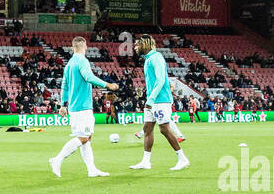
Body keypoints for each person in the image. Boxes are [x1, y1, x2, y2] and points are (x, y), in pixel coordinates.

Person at [49, 37, 118, 178]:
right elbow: (88, 77)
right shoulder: (82, 61)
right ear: (85, 47)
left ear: (73, 48)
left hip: (74, 107)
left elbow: (65, 86)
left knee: (87, 139)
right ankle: (57, 159)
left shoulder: (69, 64)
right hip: (83, 107)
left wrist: (63, 105)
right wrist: (107, 85)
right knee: (83, 137)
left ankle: (91, 169)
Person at [129, 35, 189, 171]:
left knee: (164, 130)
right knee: (147, 129)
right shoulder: (148, 59)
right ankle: (146, 162)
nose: (135, 47)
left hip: (160, 100)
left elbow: (161, 80)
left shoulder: (156, 58)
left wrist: (151, 99)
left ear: (145, 44)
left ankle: (182, 159)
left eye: (137, 44)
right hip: (152, 100)